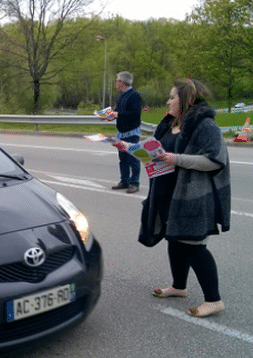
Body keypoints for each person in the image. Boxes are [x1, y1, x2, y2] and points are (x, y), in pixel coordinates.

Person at [138, 78, 230, 317]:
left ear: (186, 99)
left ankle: (214, 299)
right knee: (175, 239)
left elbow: (215, 160)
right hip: (168, 192)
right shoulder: (170, 123)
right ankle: (179, 286)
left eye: (172, 97)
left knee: (193, 246)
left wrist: (175, 159)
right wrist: (130, 149)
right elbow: (158, 152)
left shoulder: (204, 125)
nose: (168, 101)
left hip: (192, 196)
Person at [99, 71, 143, 193]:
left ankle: (134, 183)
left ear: (123, 82)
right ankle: (124, 181)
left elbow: (135, 114)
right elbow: (117, 112)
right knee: (122, 158)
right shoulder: (121, 95)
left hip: (132, 132)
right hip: (121, 132)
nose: (115, 83)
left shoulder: (135, 95)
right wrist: (107, 116)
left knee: (132, 158)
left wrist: (117, 114)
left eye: (117, 80)